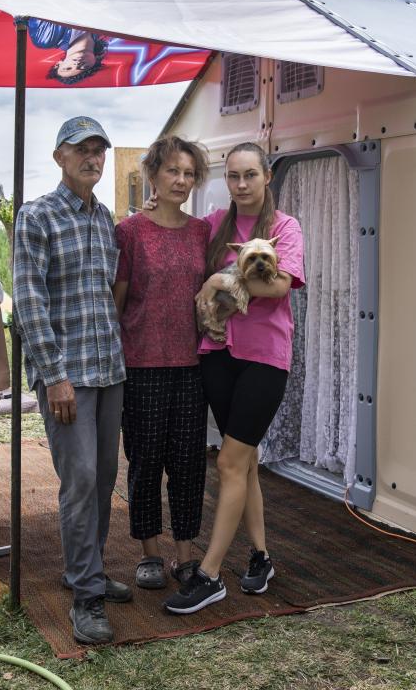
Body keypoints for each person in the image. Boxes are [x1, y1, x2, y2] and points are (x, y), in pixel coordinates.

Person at [163, 141, 304, 615]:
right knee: (243, 462)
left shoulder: (285, 228)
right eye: (233, 177)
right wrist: (156, 204)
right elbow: (175, 231)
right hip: (217, 354)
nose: (241, 185)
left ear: (268, 176)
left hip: (265, 358)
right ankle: (261, 557)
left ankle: (209, 575)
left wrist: (218, 281)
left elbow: (279, 284)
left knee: (228, 463)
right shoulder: (213, 226)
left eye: (250, 175)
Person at [12, 115, 130, 645]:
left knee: (105, 477)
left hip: (110, 371)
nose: (93, 157)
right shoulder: (36, 217)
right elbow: (29, 303)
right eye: (81, 149)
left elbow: (107, 297)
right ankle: (86, 596)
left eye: (99, 150)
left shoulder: (106, 221)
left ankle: (89, 568)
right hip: (68, 375)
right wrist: (54, 375)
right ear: (59, 156)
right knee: (80, 477)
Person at [112, 136, 211, 591]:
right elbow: (118, 299)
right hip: (142, 365)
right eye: (172, 171)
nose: (181, 180)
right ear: (152, 174)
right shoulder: (129, 232)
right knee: (145, 461)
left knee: (188, 463)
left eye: (189, 173)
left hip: (192, 366)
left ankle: (185, 555)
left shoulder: (202, 232)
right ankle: (150, 553)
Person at [27, 19, 108, 85]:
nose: (76, 64)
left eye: (67, 68)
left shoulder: (45, 40)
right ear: (95, 62)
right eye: (84, 67)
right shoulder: (105, 31)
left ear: (58, 64)